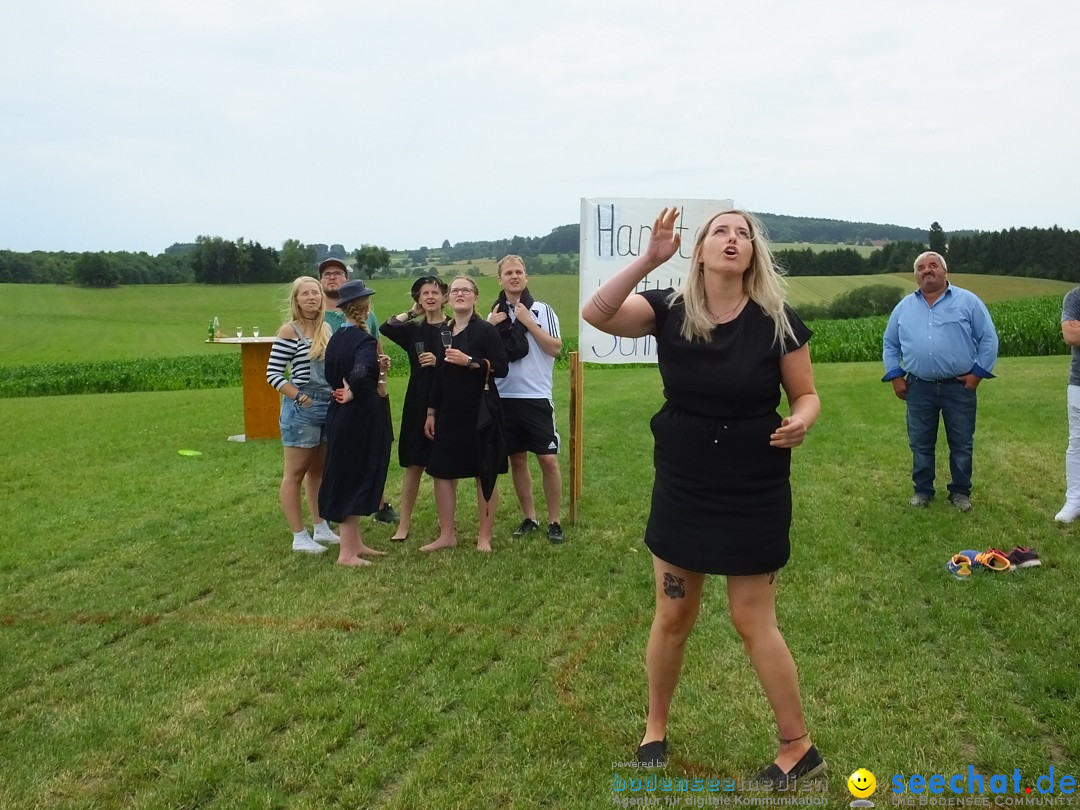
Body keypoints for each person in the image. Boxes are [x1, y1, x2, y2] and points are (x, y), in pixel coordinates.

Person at [582, 208, 823, 787]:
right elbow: (596, 314)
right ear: (700, 249)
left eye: (743, 234)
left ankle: (799, 746)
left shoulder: (775, 320)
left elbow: (808, 394)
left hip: (753, 484)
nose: (733, 239)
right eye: (721, 231)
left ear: (754, 253)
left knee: (752, 619)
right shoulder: (667, 308)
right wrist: (647, 260)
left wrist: (802, 420)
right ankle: (655, 730)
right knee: (673, 613)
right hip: (685, 482)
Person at [882, 251, 999, 512]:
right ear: (916, 275)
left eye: (933, 265)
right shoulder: (903, 308)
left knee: (961, 442)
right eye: (921, 267)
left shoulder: (968, 302)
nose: (927, 270)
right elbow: (890, 344)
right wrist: (895, 375)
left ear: (945, 271)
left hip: (958, 386)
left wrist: (978, 373)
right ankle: (922, 490)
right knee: (921, 442)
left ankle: (960, 492)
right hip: (918, 386)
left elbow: (988, 339)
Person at [422, 276, 509, 553]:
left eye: (466, 290)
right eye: (456, 290)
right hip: (448, 412)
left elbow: (502, 367)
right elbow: (438, 375)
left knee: (485, 471)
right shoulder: (443, 333)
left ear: (475, 297)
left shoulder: (485, 331)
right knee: (442, 473)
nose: (460, 294)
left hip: (480, 411)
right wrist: (431, 411)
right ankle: (447, 534)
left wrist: (470, 362)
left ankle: (484, 537)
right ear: (449, 298)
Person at [487, 255, 565, 544]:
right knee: (517, 459)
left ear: (526, 277)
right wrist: (490, 325)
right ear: (500, 279)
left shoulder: (542, 310)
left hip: (536, 395)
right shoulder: (494, 312)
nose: (514, 276)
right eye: (508, 272)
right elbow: (483, 349)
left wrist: (529, 323)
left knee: (548, 459)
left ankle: (554, 520)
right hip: (505, 394)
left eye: (519, 271)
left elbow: (555, 348)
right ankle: (529, 517)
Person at [319, 258, 400, 525]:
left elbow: (335, 370)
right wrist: (354, 390)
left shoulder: (335, 337)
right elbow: (362, 368)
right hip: (359, 412)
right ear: (365, 308)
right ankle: (350, 547)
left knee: (343, 468)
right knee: (360, 468)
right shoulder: (361, 338)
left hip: (337, 410)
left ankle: (351, 542)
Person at [265, 276, 339, 554]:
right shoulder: (289, 331)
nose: (312, 298)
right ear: (296, 300)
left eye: (315, 293)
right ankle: (299, 535)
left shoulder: (327, 328)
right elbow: (273, 374)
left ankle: (321, 527)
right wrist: (299, 395)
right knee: (294, 473)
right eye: (305, 294)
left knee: (318, 471)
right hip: (302, 410)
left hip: (328, 405)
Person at [379, 276, 449, 541]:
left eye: (435, 292)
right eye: (424, 294)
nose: (430, 297)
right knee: (414, 464)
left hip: (445, 399)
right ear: (418, 299)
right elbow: (387, 326)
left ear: (445, 296)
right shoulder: (414, 330)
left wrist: (438, 360)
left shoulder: (453, 327)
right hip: (417, 399)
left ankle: (446, 525)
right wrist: (412, 313)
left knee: (446, 466)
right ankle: (403, 524)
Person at [1056, 286, 1080, 523]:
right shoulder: (1075, 297)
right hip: (1079, 383)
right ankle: (1074, 500)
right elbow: (1071, 336)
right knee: (1077, 444)